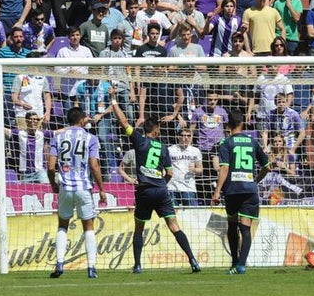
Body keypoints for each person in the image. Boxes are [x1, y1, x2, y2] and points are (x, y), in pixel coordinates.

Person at [106, 91, 200, 274]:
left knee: (139, 228)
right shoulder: (163, 147)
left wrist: (114, 100)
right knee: (174, 226)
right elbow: (170, 173)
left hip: (145, 191)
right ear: (156, 130)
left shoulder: (139, 140)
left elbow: (124, 122)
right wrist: (161, 184)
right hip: (161, 190)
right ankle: (193, 260)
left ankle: (138, 265)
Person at [47, 106, 106, 279]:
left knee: (62, 225)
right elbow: (94, 165)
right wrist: (101, 189)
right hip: (83, 187)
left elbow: (51, 167)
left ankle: (59, 263)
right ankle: (91, 268)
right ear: (81, 120)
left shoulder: (57, 137)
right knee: (88, 227)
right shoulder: (91, 138)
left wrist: (53, 185)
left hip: (65, 187)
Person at [211, 110, 269, 275]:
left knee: (232, 225)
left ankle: (235, 262)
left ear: (228, 125)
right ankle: (241, 265)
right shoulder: (253, 142)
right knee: (245, 228)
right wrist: (256, 180)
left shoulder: (226, 142)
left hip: (233, 191)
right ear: (243, 123)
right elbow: (268, 166)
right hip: (249, 190)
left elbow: (224, 168)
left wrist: (217, 192)